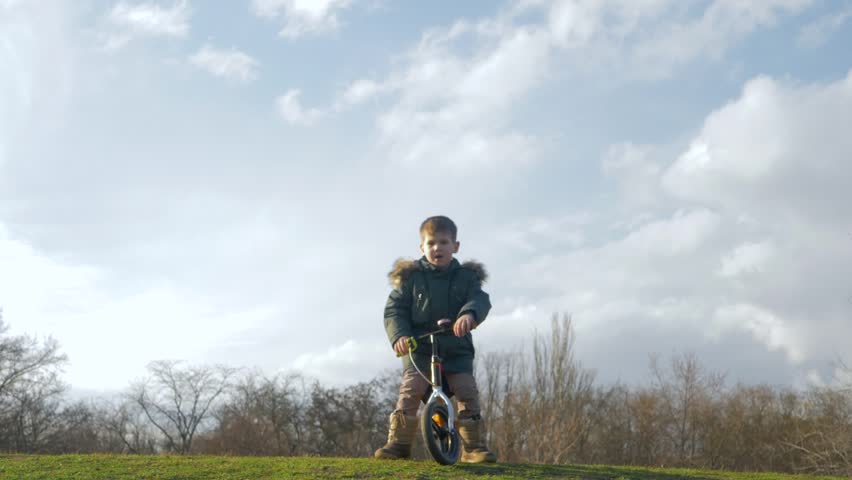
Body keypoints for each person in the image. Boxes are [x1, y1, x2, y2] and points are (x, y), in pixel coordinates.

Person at [374, 215, 497, 463]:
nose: (437, 248)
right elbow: (394, 310)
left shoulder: (465, 278)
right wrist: (400, 334)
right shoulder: (412, 279)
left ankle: (473, 447)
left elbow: (479, 299)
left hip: (455, 349)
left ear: (455, 246)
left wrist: (469, 314)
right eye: (431, 243)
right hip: (419, 349)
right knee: (410, 392)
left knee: (466, 392)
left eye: (443, 242)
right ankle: (398, 444)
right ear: (422, 247)